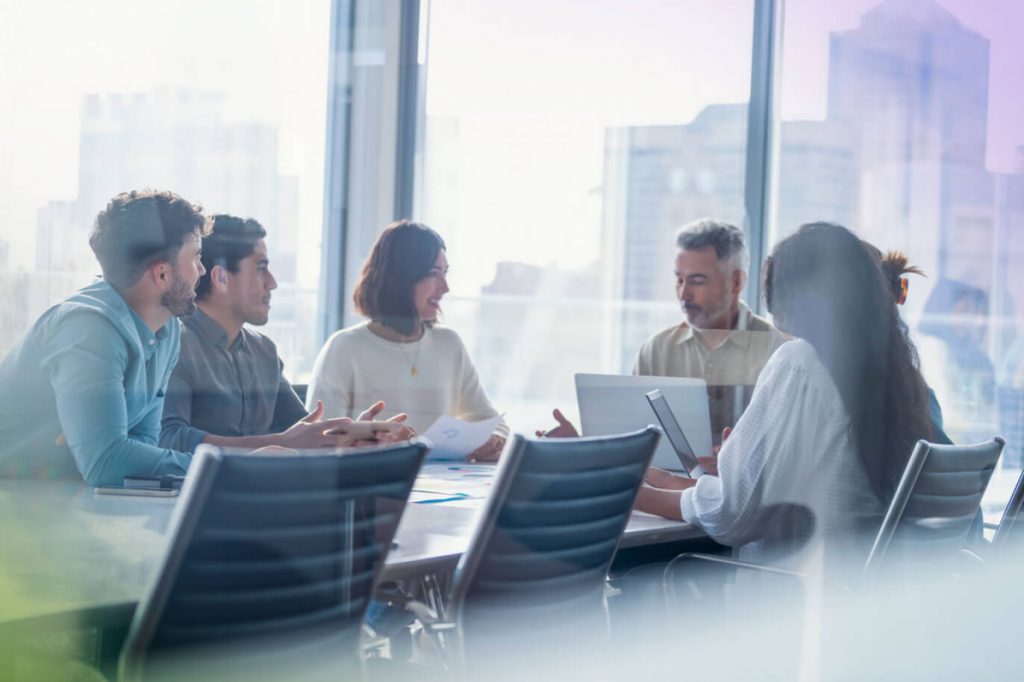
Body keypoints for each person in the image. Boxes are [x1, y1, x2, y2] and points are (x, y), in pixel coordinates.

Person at [636, 222, 937, 572]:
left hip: (792, 602)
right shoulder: (892, 371)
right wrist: (675, 481)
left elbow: (734, 514)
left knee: (641, 577)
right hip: (855, 593)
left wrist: (634, 496)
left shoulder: (799, 362)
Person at [0, 190, 208, 486]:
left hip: (60, 494)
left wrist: (111, 449)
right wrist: (223, 467)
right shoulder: (88, 328)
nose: (202, 269)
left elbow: (140, 445)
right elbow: (107, 462)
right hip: (15, 498)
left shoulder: (166, 330)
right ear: (162, 274)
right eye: (197, 256)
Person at [160, 214, 405, 453]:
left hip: (266, 489)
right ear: (221, 278)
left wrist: (352, 434)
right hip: (199, 491)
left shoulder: (263, 351)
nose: (273, 283)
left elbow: (300, 432)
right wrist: (282, 443)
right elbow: (169, 437)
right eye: (261, 269)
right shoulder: (174, 345)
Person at [541, 219, 785, 446]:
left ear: (736, 283)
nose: (683, 293)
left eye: (697, 281)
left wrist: (729, 464)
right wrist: (579, 442)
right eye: (679, 279)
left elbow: (783, 449)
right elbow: (631, 442)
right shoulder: (656, 350)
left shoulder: (776, 351)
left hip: (739, 490)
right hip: (663, 488)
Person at [307, 220, 507, 461]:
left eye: (445, 273)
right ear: (400, 278)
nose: (445, 288)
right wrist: (371, 441)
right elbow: (319, 441)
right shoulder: (344, 348)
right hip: (375, 487)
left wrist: (494, 441)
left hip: (444, 489)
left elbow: (493, 422)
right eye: (433, 274)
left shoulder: (449, 344)